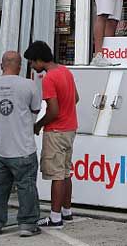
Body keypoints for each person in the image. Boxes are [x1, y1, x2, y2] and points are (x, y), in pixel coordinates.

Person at [0, 51, 43, 237]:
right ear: (20, 66)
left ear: (1, 65)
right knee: (27, 187)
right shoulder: (29, 85)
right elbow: (36, 109)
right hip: (23, 147)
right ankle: (27, 224)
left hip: (0, 148)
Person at [24, 41, 79, 229]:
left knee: (56, 175)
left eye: (32, 62)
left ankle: (55, 218)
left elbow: (53, 110)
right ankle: (66, 211)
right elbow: (76, 98)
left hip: (56, 131)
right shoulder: (65, 71)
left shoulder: (49, 79)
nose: (32, 66)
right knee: (65, 173)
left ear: (40, 59)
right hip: (70, 129)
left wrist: (39, 124)